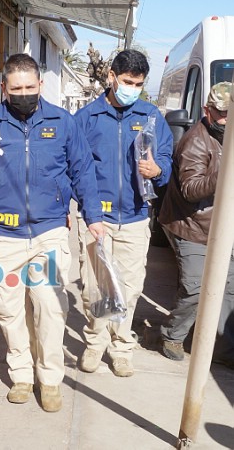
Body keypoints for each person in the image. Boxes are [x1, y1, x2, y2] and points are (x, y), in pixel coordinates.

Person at [0, 53, 105, 413]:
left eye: (29, 87)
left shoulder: (63, 123)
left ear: (41, 86)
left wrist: (93, 216)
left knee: (50, 306)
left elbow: (83, 172)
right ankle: (21, 373)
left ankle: (50, 379)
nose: (23, 94)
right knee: (8, 308)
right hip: (4, 236)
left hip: (50, 231)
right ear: (3, 88)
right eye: (16, 88)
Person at [73, 49, 173, 377]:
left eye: (139, 84)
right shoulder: (86, 119)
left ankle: (120, 347)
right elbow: (73, 168)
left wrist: (157, 170)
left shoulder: (150, 116)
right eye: (127, 81)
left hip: (134, 217)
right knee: (96, 287)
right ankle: (95, 340)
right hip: (96, 218)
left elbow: (166, 162)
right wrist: (87, 212)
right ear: (111, 77)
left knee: (128, 288)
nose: (132, 88)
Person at [158, 81, 234, 365]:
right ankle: (172, 335)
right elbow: (191, 189)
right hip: (191, 225)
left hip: (224, 226)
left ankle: (223, 349)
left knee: (228, 289)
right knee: (196, 286)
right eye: (223, 113)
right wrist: (226, 171)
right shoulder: (195, 140)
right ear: (208, 110)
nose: (228, 118)